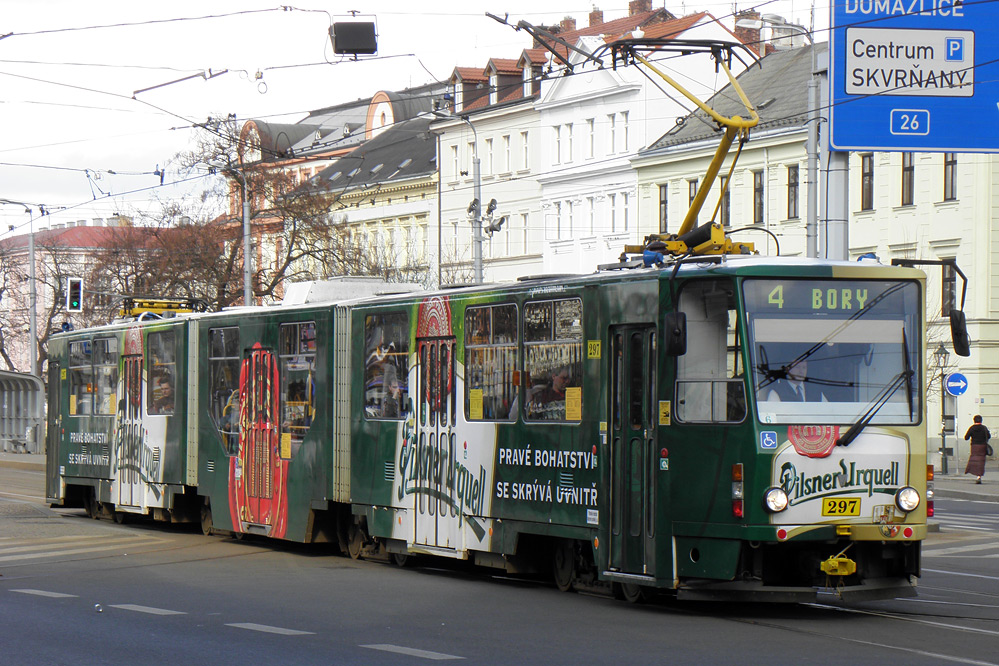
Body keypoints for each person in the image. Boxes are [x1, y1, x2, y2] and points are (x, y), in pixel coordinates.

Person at [964, 414, 991, 484]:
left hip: (974, 446)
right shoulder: (984, 428)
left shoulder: (972, 428)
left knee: (974, 460)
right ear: (981, 421)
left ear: (974, 420)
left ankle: (971, 471)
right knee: (981, 461)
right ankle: (979, 476)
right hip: (982, 446)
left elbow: (966, 438)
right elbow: (989, 436)